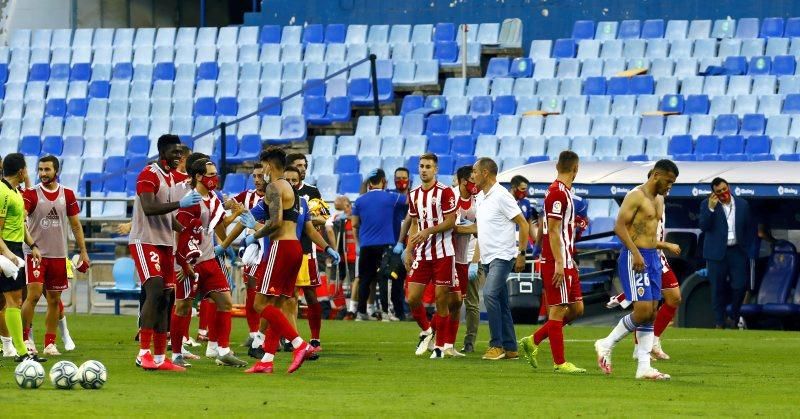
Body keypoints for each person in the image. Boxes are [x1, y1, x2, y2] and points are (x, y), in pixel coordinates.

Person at [594, 159, 679, 380]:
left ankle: (643, 367)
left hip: (652, 258)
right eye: (668, 181)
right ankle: (606, 343)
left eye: (673, 183)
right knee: (642, 311)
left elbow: (650, 234)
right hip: (635, 258)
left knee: (651, 312)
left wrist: (664, 247)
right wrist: (637, 253)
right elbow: (619, 227)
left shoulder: (659, 199)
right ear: (656, 175)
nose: (670, 186)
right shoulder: (636, 196)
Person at [130, 135, 201, 371]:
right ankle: (143, 353)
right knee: (155, 289)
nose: (178, 157)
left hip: (164, 243)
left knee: (167, 297)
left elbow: (167, 217)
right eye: (174, 153)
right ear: (162, 152)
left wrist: (187, 230)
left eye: (180, 153)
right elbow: (150, 208)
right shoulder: (148, 174)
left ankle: (160, 357)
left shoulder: (170, 178)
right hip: (145, 241)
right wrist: (180, 205)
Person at [244, 147, 318, 374]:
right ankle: (267, 360)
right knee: (276, 304)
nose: (262, 170)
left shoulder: (275, 187)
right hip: (295, 248)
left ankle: (298, 344)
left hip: (280, 247)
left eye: (263, 165)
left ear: (269, 164)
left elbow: (275, 222)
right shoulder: (290, 188)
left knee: (260, 304)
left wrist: (254, 236)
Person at [171, 157, 248, 368]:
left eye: (215, 174)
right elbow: (181, 235)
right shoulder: (191, 201)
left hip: (209, 259)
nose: (215, 178)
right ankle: (176, 354)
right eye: (211, 174)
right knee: (183, 307)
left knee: (225, 302)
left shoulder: (213, 198)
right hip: (189, 263)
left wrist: (236, 213)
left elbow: (218, 224)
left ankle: (222, 351)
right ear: (198, 176)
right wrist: (184, 264)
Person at [518, 151, 586, 374]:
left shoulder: (562, 192)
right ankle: (560, 362)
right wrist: (559, 261)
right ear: (575, 169)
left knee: (576, 309)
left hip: (565, 258)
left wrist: (567, 259)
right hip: (557, 260)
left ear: (557, 166)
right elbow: (554, 232)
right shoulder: (557, 194)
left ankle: (533, 340)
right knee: (558, 311)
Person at [20, 156, 88, 357]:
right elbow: (21, 219)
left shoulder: (67, 194)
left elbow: (75, 225)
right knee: (32, 296)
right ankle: (26, 339)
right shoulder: (31, 195)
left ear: (56, 171)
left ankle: (50, 343)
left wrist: (83, 251)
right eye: (40, 169)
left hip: (58, 255)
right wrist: (31, 245)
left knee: (54, 300)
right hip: (35, 254)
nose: (42, 173)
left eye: (47, 169)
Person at [472, 157, 529, 361]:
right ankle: (510, 347)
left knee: (488, 294)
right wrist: (454, 228)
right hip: (487, 258)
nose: (473, 175)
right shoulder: (480, 197)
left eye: (475, 171)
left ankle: (496, 345)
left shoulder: (502, 196)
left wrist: (521, 254)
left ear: (485, 173)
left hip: (502, 256)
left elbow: (523, 224)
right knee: (501, 301)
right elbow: (480, 228)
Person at [404, 154, 458, 359]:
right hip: (422, 253)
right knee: (412, 298)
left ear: (436, 169)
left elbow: (451, 221)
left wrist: (429, 231)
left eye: (428, 166)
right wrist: (409, 250)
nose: (424, 169)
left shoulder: (445, 192)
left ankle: (440, 347)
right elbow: (415, 224)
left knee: (440, 300)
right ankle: (427, 331)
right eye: (421, 166)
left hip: (444, 253)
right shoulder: (414, 194)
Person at [282, 166, 340, 354]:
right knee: (287, 297)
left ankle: (314, 338)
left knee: (310, 295)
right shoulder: (277, 195)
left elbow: (322, 220)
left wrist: (328, 247)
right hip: (282, 251)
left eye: (295, 179)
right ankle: (290, 338)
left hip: (307, 251)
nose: (291, 183)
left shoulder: (310, 195)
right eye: (288, 179)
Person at [0, 153, 44, 362]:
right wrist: (7, 253)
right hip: (6, 249)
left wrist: (33, 245)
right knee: (14, 300)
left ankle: (15, 349)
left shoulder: (15, 192)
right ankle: (22, 352)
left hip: (15, 247)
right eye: (26, 168)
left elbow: (21, 225)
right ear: (21, 171)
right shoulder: (3, 192)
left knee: (8, 300)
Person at [699, 177, 757, 329]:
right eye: (719, 191)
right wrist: (711, 209)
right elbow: (703, 226)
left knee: (740, 285)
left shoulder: (743, 204)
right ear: (714, 193)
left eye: (724, 189)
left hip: (737, 251)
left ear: (728, 187)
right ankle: (719, 322)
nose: (723, 193)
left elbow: (750, 227)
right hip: (716, 253)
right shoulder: (707, 204)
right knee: (717, 288)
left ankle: (733, 316)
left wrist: (748, 248)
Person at [352, 169, 407, 321]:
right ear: (383, 181)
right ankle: (385, 313)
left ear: (369, 183)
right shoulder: (391, 197)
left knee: (365, 279)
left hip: (366, 245)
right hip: (385, 245)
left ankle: (361, 312)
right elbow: (409, 201)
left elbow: (355, 223)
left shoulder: (359, 200)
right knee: (384, 278)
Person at [229, 165, 267, 347]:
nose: (257, 179)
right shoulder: (248, 196)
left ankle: (275, 332)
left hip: (271, 245)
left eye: (260, 176)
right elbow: (230, 204)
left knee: (271, 292)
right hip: (253, 248)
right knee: (251, 287)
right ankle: (254, 333)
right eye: (254, 176)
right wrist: (225, 202)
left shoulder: (276, 194)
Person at [445, 166, 479, 357]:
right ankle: (433, 336)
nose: (476, 183)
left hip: (466, 256)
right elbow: (453, 228)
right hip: (449, 255)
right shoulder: (452, 197)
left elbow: (479, 227)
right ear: (464, 181)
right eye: (473, 179)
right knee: (450, 300)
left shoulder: (477, 200)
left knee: (459, 304)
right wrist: (475, 229)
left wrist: (475, 260)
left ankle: (449, 344)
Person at [325, 196, 358, 319]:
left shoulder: (356, 216)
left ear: (346, 203)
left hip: (354, 257)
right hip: (340, 258)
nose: (336, 202)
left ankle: (354, 310)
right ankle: (342, 308)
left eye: (339, 200)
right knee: (334, 283)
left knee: (355, 283)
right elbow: (329, 229)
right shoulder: (336, 218)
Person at [509, 175, 539, 249]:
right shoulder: (505, 201)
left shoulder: (526, 202)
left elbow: (529, 223)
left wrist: (536, 242)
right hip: (508, 244)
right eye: (522, 189)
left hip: (524, 244)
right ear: (514, 188)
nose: (525, 192)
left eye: (526, 189)